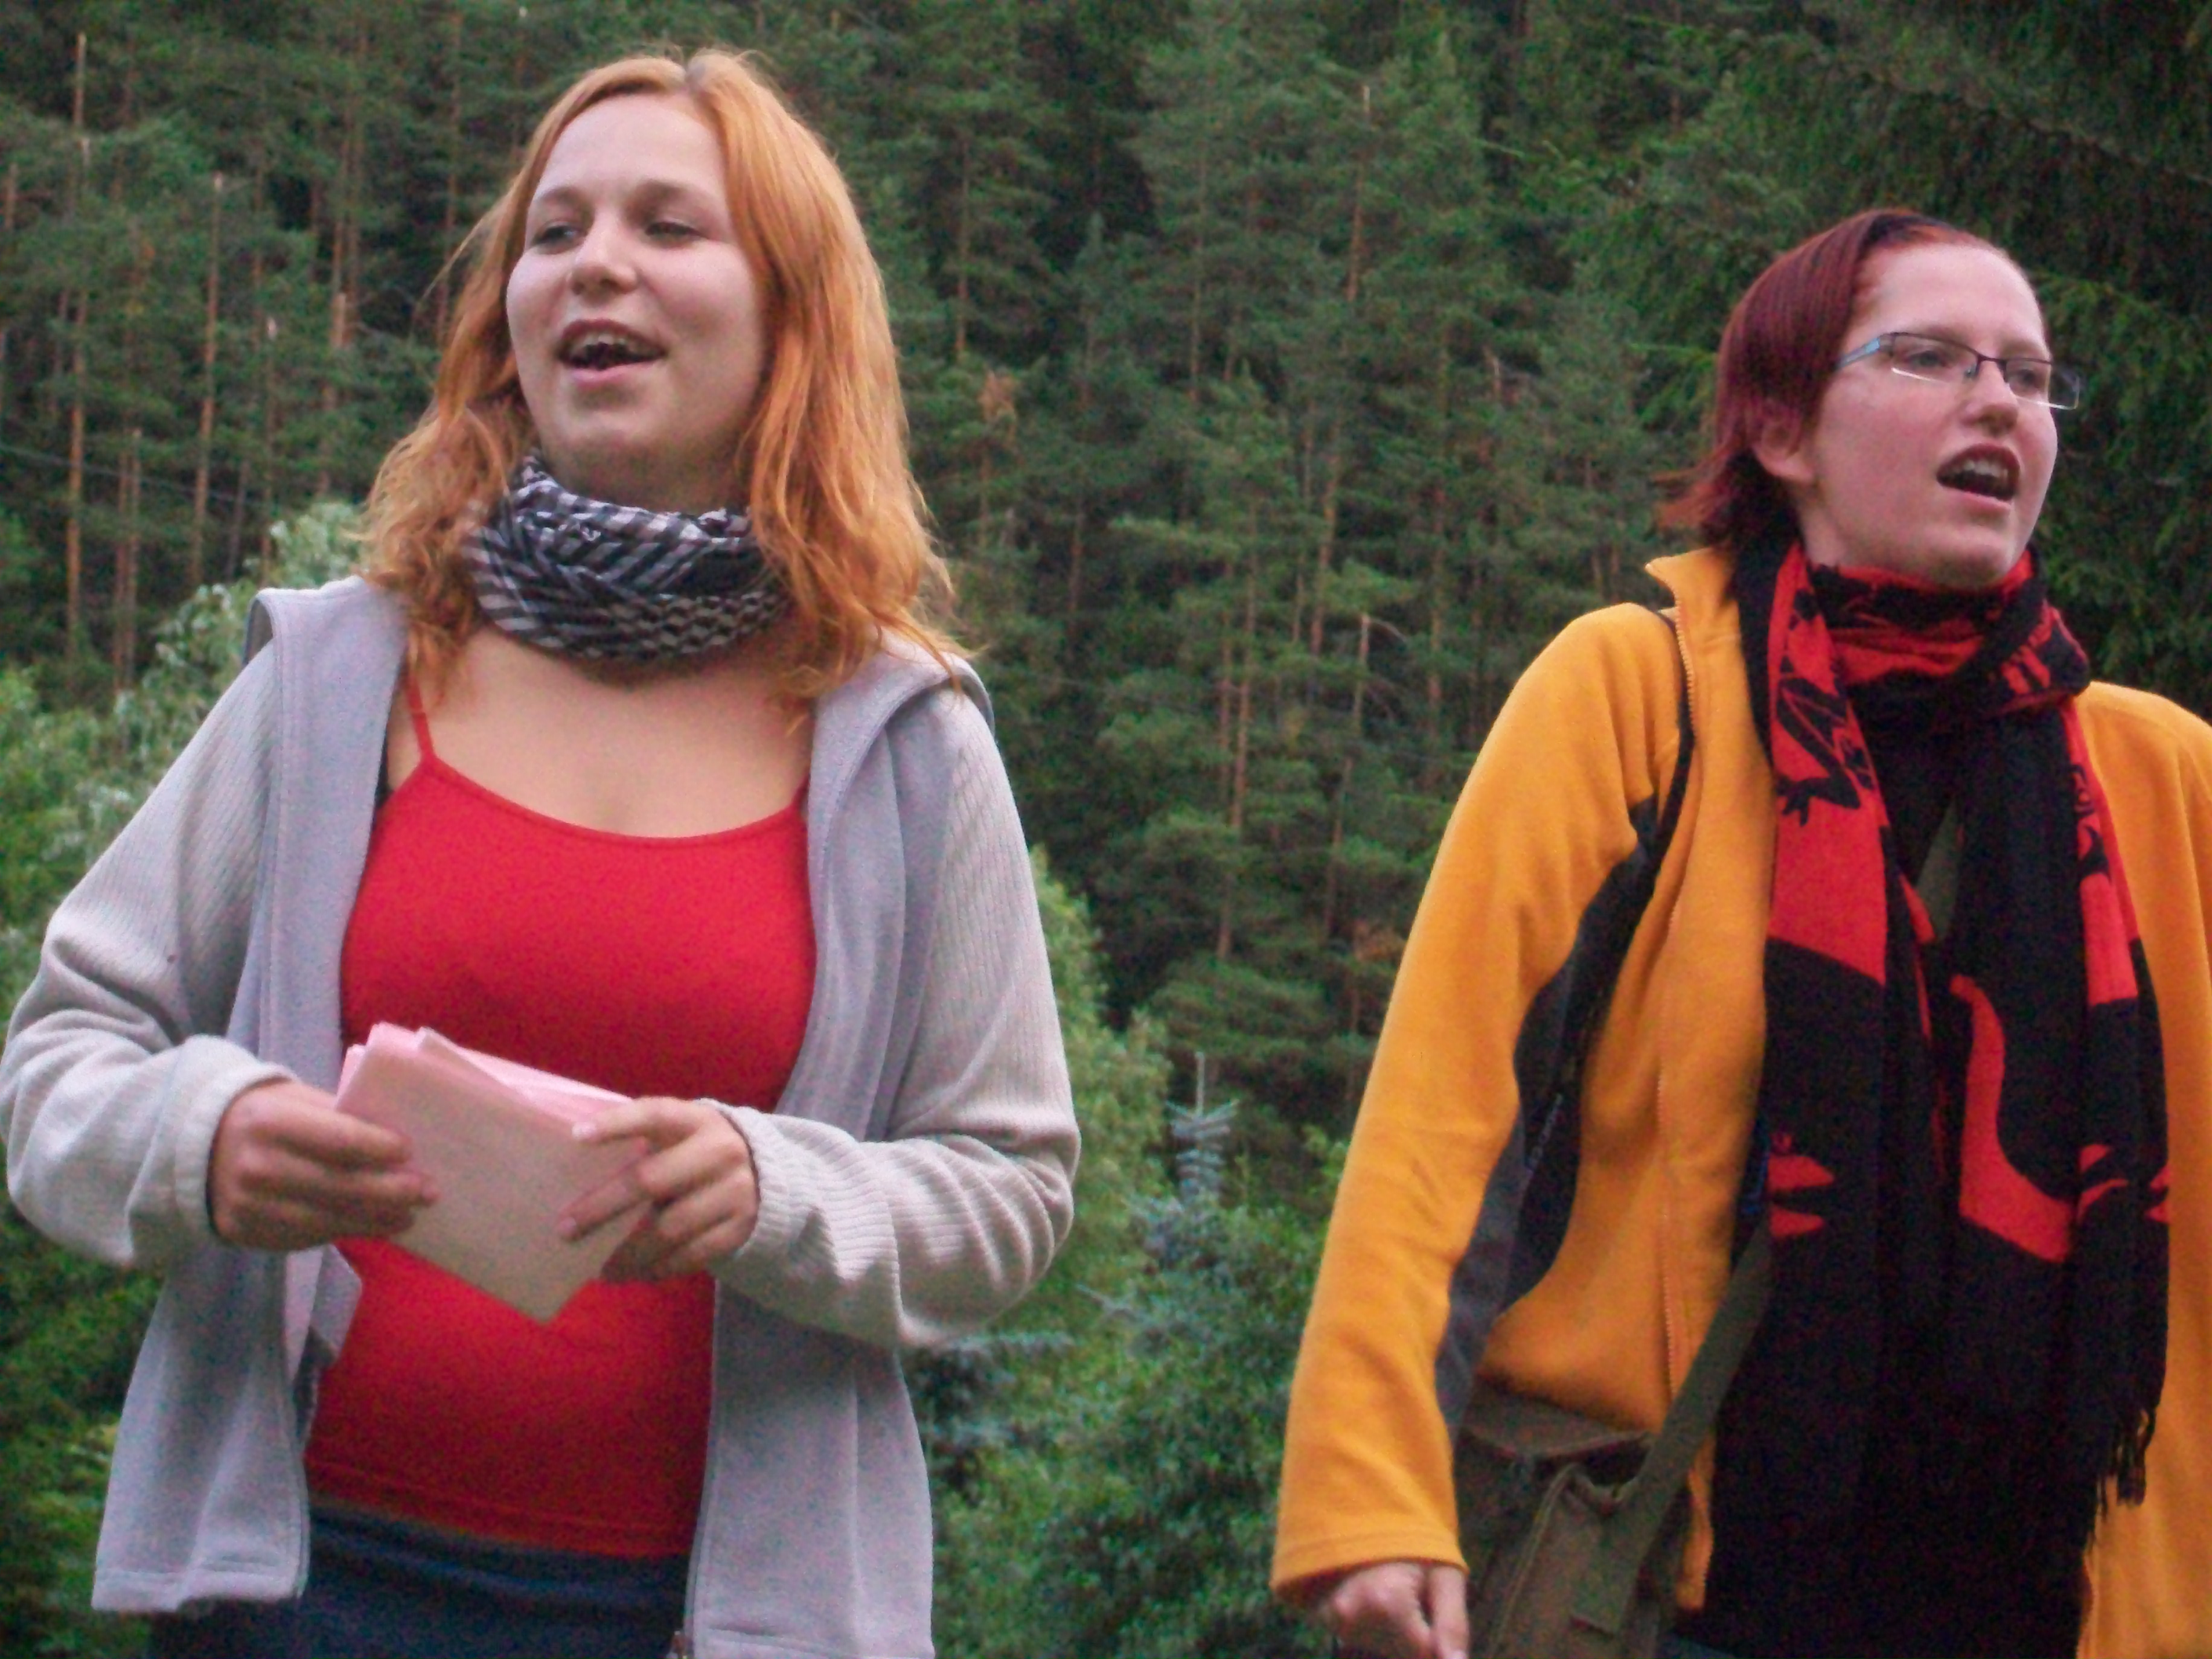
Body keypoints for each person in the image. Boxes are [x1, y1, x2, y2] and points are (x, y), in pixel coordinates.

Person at [0, 47, 1076, 1659]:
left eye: (667, 225)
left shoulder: (906, 742)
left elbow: (1012, 1192)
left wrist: (774, 1191)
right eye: (554, 232)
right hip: (294, 1593)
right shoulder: (339, 674)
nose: (595, 264)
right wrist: (202, 1136)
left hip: (710, 1625)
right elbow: (55, 1066)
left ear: (791, 317)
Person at [1271, 209, 2206, 1659]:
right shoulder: (1635, 693)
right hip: (1677, 1593)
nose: (1998, 404)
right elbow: (1446, 1115)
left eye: (2029, 378)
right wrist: (1370, 1492)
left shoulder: (2159, 780)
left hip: (2042, 1609)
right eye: (1930, 358)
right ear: (1779, 429)